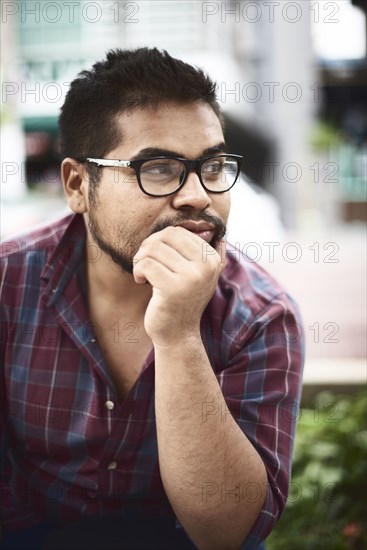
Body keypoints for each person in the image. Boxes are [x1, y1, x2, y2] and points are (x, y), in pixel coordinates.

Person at [0, 48, 304, 550]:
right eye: (158, 168)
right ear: (78, 184)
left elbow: (227, 532)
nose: (198, 196)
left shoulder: (259, 315)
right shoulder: (10, 283)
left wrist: (180, 334)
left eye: (213, 165)